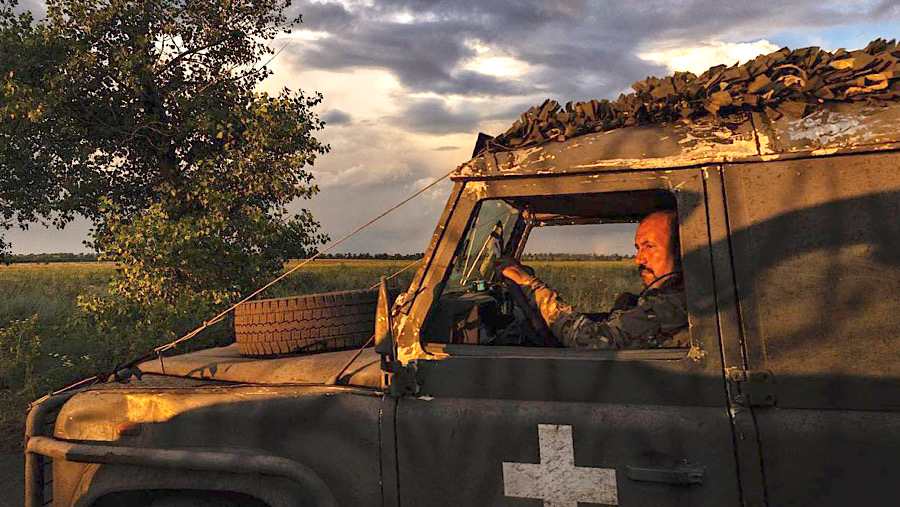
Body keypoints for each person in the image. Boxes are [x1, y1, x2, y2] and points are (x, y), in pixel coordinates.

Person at [497, 210, 687, 349]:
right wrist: (624, 308)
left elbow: (591, 340)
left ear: (681, 250)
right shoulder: (666, 300)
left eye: (650, 246)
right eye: (638, 248)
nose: (638, 259)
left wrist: (530, 286)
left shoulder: (672, 305)